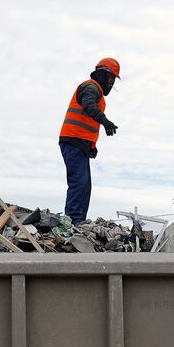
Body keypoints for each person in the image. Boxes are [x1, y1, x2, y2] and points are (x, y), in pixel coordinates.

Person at [58, 57, 120, 224]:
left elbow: (86, 121)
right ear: (104, 75)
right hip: (73, 140)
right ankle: (72, 221)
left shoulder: (95, 90)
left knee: (84, 185)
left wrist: (90, 146)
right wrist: (105, 121)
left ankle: (78, 221)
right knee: (79, 183)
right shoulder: (91, 87)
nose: (112, 82)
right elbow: (88, 104)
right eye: (112, 77)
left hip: (79, 143)